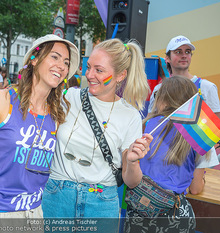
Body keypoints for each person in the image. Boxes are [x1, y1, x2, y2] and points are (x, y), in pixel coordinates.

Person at [0, 34, 79, 224]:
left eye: (66, 62)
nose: (61, 65)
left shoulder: (56, 117)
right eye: (54, 57)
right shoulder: (1, 100)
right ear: (34, 60)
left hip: (33, 215)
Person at [41, 38, 151, 226]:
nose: (90, 75)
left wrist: (132, 162)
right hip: (57, 196)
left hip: (100, 203)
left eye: (99, 70)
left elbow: (131, 182)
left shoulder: (130, 116)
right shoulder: (68, 97)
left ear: (120, 75)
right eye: (88, 66)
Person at [123, 76, 219, 233]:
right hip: (174, 216)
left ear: (163, 99)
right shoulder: (199, 134)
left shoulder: (146, 126)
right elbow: (195, 188)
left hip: (140, 207)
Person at [148, 35, 220, 119]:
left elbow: (216, 128)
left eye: (187, 52)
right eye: (178, 52)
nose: (184, 55)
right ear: (167, 58)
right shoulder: (159, 89)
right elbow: (150, 122)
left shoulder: (207, 87)